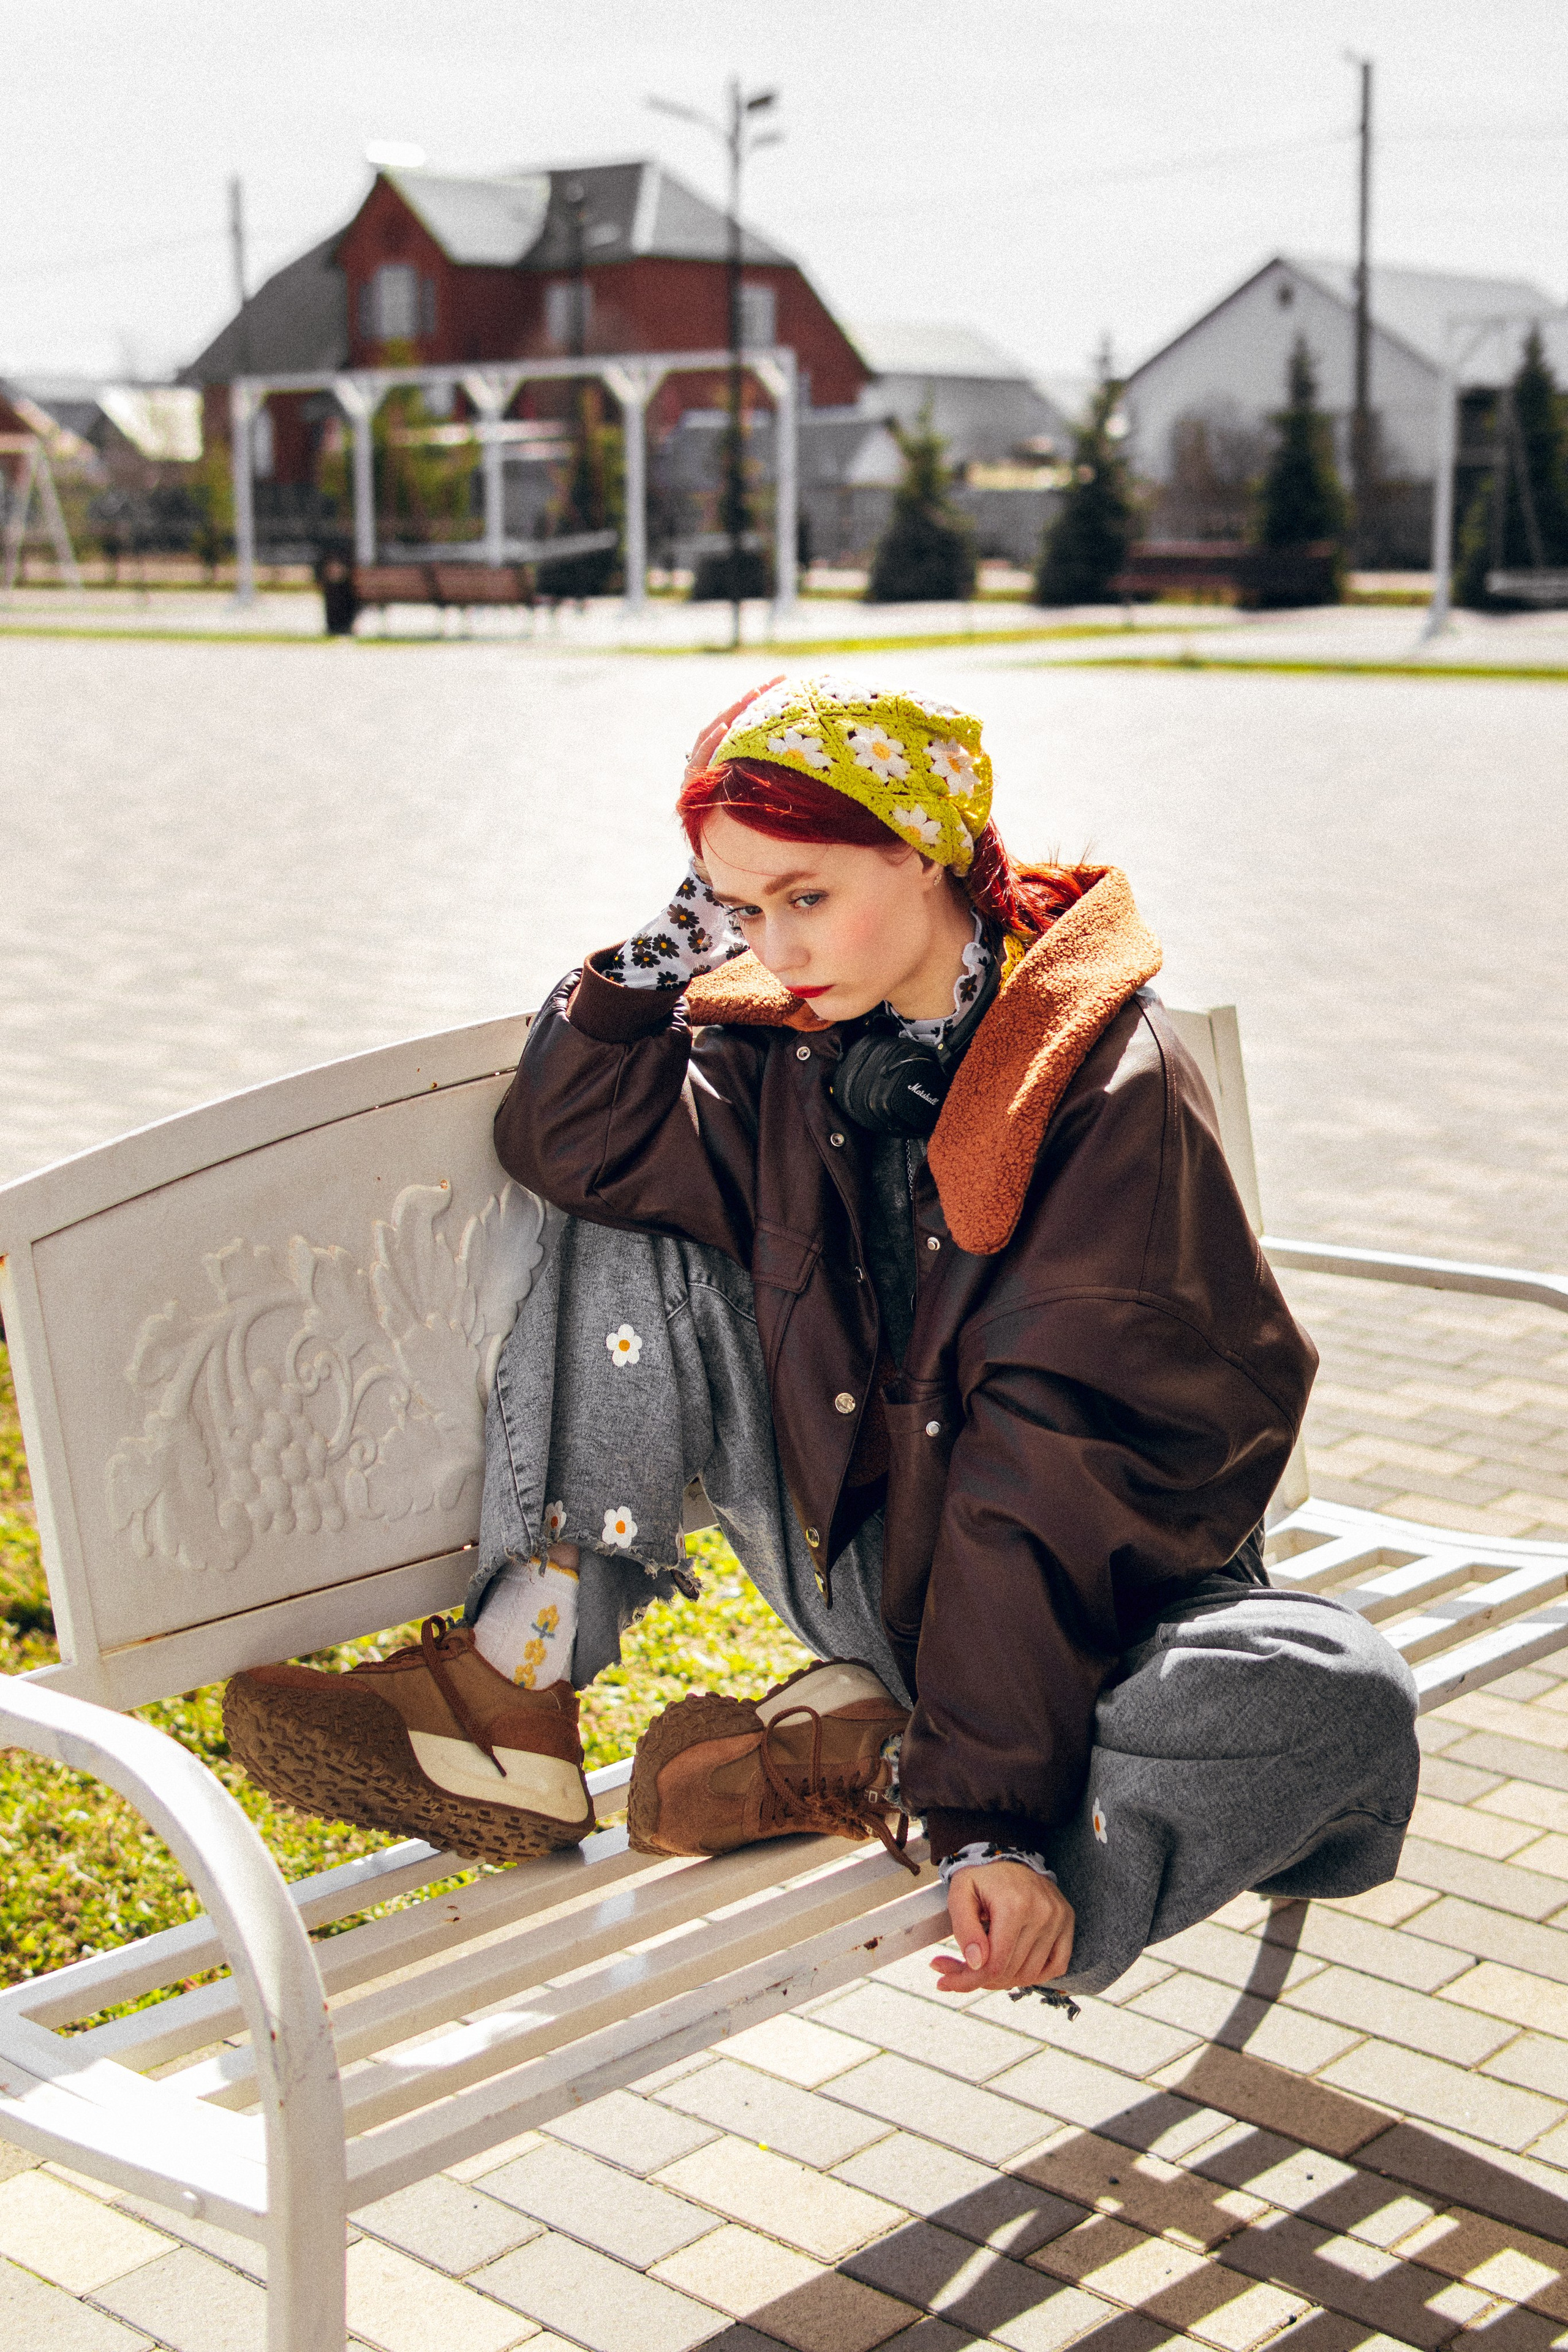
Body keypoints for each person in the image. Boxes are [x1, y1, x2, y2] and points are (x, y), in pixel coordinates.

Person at [225, 674, 1418, 1997]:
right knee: (631, 1212)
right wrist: (662, 954)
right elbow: (576, 1143)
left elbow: (1045, 1483)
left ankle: (922, 1793)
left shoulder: (1104, 1096)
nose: (774, 950)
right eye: (736, 908)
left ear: (923, 848)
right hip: (881, 1569)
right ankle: (517, 1681)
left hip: (1105, 1612)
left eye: (802, 898)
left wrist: (983, 1816)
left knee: (1332, 1688)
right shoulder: (795, 1044)